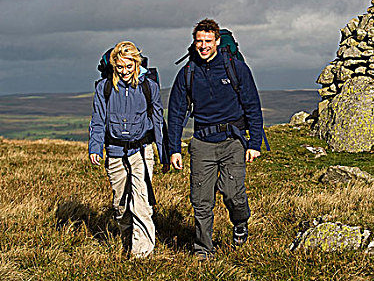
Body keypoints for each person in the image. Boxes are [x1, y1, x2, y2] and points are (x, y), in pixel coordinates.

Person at [168, 18, 264, 261]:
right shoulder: (187, 73)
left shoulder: (236, 68)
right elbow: (176, 112)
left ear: (218, 41)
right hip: (201, 143)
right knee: (201, 200)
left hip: (233, 141)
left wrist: (254, 144)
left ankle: (240, 222)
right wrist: (174, 148)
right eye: (199, 41)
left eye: (208, 41)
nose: (203, 46)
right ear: (194, 42)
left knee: (233, 194)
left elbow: (252, 105)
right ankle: (203, 250)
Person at [88, 41, 165, 258]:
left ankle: (141, 254)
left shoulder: (149, 87)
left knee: (141, 202)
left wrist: (164, 153)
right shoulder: (103, 88)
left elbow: (158, 120)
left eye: (129, 66)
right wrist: (95, 147)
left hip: (141, 150)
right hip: (115, 151)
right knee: (121, 205)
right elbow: (97, 120)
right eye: (120, 67)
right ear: (114, 65)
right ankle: (127, 236)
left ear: (136, 64)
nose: (124, 72)